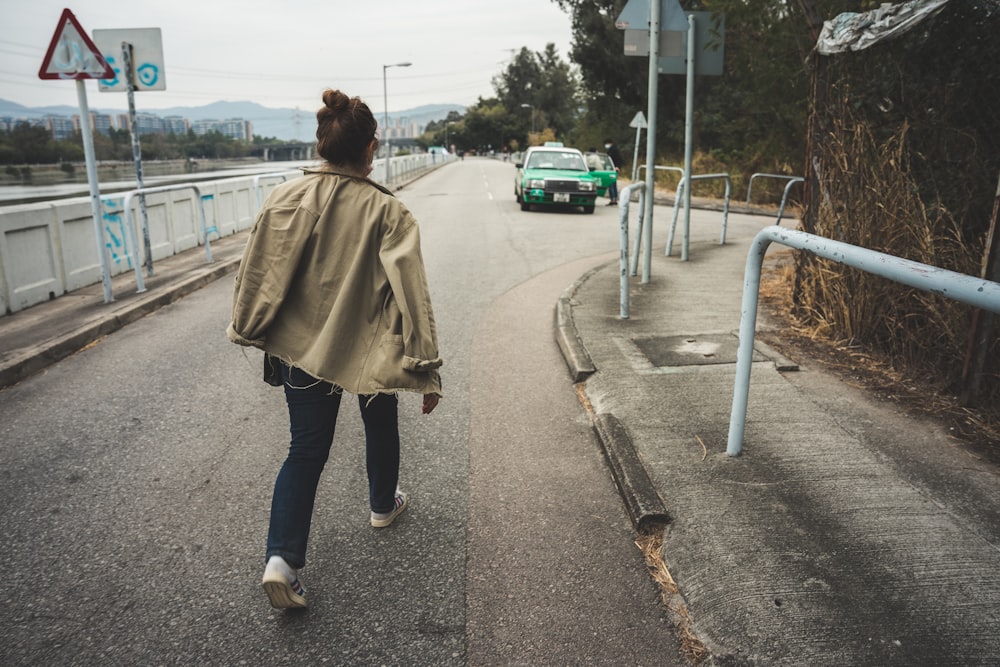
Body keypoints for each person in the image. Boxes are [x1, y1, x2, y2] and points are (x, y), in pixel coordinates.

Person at [226, 88, 443, 610]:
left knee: (305, 449)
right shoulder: (389, 213)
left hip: (300, 351)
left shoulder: (283, 197)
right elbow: (412, 296)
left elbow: (258, 272)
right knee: (381, 417)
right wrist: (426, 368)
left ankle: (282, 561)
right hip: (366, 349)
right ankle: (381, 505)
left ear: (323, 144)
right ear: (371, 148)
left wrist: (248, 325)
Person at [604, 139, 624, 205]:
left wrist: (617, 166)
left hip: (613, 169)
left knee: (611, 184)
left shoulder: (613, 151)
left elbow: (617, 159)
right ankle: (614, 198)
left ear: (610, 143)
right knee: (613, 184)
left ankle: (613, 199)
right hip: (614, 169)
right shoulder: (614, 150)